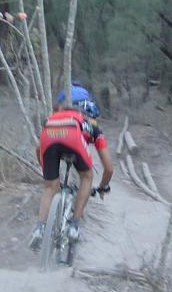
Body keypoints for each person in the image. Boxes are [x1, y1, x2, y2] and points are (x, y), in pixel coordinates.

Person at [29, 84, 113, 251]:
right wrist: (103, 187)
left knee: (50, 188)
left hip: (48, 135)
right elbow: (109, 168)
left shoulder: (53, 117)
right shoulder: (91, 123)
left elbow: (39, 149)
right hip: (74, 139)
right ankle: (74, 226)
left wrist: (47, 173)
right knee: (87, 177)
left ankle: (39, 228)